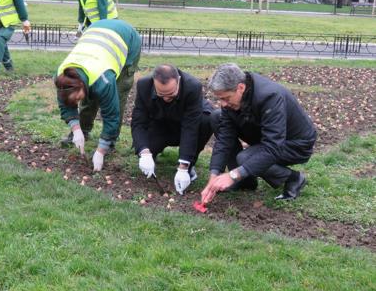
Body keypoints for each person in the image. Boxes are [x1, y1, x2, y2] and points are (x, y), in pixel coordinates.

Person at [201, 63, 317, 204]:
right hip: (264, 135)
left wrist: (232, 175)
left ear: (241, 88)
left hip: (295, 143)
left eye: (226, 98)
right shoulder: (233, 98)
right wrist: (214, 175)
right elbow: (224, 139)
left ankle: (293, 178)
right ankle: (246, 182)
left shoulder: (270, 96)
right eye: (220, 99)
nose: (223, 104)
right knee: (217, 117)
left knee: (246, 158)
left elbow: (273, 147)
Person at [54, 19, 141, 171]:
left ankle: (110, 141)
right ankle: (84, 131)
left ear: (81, 84)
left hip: (128, 39)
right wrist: (76, 129)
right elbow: (66, 104)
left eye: (77, 97)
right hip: (95, 33)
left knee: (118, 94)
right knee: (88, 100)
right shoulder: (62, 76)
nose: (76, 101)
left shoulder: (103, 79)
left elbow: (111, 114)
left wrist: (101, 149)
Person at [131, 64, 214, 195]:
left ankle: (188, 168)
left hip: (187, 123)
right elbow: (138, 122)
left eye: (171, 94)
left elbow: (190, 128)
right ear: (154, 83)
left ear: (179, 80)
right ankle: (151, 156)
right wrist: (144, 151)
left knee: (206, 121)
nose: (166, 98)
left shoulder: (193, 87)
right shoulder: (143, 85)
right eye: (161, 94)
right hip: (160, 124)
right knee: (147, 148)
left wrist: (184, 166)